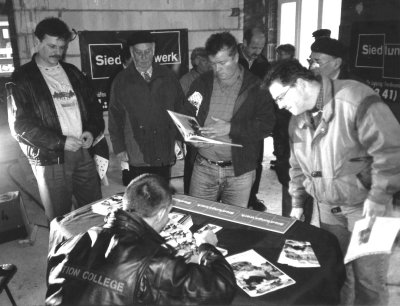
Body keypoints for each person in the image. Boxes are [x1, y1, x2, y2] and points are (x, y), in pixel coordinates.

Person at [263, 59, 400, 305]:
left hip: (369, 209)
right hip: (328, 208)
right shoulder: (297, 120)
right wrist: (296, 202)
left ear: (301, 84)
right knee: (337, 274)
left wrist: (379, 198)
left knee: (369, 281)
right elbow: (296, 166)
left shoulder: (355, 98)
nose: (281, 106)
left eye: (282, 97)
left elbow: (391, 152)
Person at [46, 174, 237, 305]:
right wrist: (207, 246)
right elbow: (223, 288)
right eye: (169, 212)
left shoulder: (70, 243)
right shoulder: (156, 261)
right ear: (162, 212)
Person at [7, 17, 104, 222]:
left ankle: (90, 250)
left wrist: (90, 131)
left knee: (93, 211)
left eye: (61, 47)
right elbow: (20, 126)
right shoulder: (23, 77)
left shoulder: (72, 72)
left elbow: (94, 108)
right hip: (50, 157)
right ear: (37, 42)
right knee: (61, 219)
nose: (57, 52)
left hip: (83, 151)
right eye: (51, 46)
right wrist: (60, 142)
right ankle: (63, 253)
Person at [182, 31, 275, 208]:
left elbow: (266, 125)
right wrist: (193, 138)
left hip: (240, 170)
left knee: (233, 226)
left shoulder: (255, 86)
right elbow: (187, 114)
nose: (217, 69)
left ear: (236, 56)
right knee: (199, 219)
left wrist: (231, 128)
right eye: (213, 63)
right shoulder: (202, 82)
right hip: (203, 166)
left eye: (222, 63)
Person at [108, 31, 184, 184]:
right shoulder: (121, 81)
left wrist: (179, 137)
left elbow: (180, 109)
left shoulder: (168, 76)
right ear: (131, 52)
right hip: (136, 150)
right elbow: (114, 117)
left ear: (154, 50)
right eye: (138, 52)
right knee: (140, 196)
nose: (143, 57)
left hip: (163, 147)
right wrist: (119, 148)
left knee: (161, 192)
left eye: (147, 52)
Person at [238, 27, 271, 211]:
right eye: (254, 47)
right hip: (234, 119)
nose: (257, 51)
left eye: (261, 47)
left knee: (256, 161)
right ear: (244, 42)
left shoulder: (264, 65)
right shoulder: (232, 60)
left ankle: (252, 197)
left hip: (255, 121)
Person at [180, 47, 211, 194]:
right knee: (192, 164)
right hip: (193, 131)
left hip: (209, 131)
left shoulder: (212, 78)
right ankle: (189, 194)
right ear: (197, 61)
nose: (210, 64)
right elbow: (182, 108)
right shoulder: (186, 80)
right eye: (206, 61)